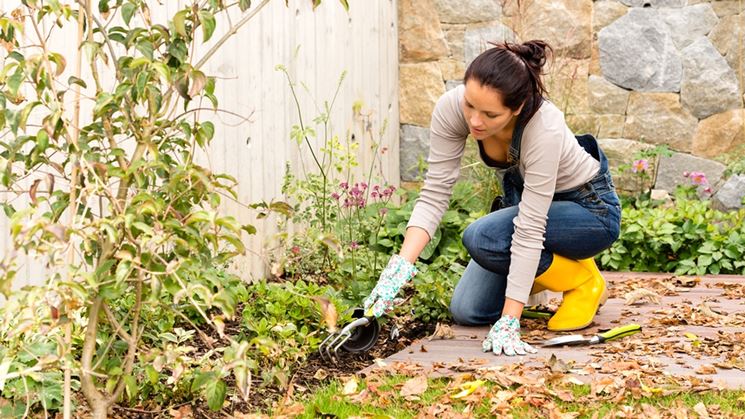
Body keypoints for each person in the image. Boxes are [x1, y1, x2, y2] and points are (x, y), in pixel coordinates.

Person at [363, 40, 621, 356]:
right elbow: (434, 194)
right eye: (470, 104)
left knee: (483, 237)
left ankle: (582, 281)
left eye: (490, 114)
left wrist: (510, 321)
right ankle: (561, 266)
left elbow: (529, 228)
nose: (475, 120)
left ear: (518, 107)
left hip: (589, 211)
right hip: (531, 210)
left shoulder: (544, 125)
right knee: (469, 311)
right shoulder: (452, 108)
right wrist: (398, 269)